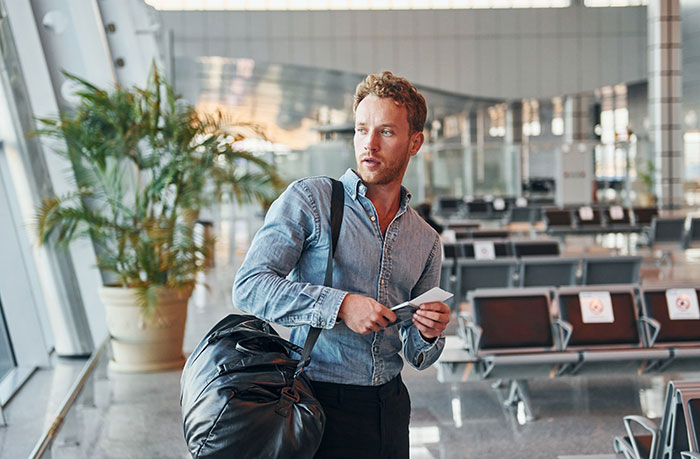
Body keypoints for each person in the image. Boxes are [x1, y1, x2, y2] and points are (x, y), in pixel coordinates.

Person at [233, 71, 450, 459]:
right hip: (315, 401)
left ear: (414, 142)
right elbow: (250, 286)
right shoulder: (311, 200)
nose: (369, 144)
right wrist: (342, 305)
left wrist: (430, 333)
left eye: (386, 132)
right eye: (361, 129)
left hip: (390, 407)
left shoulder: (426, 240)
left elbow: (417, 355)